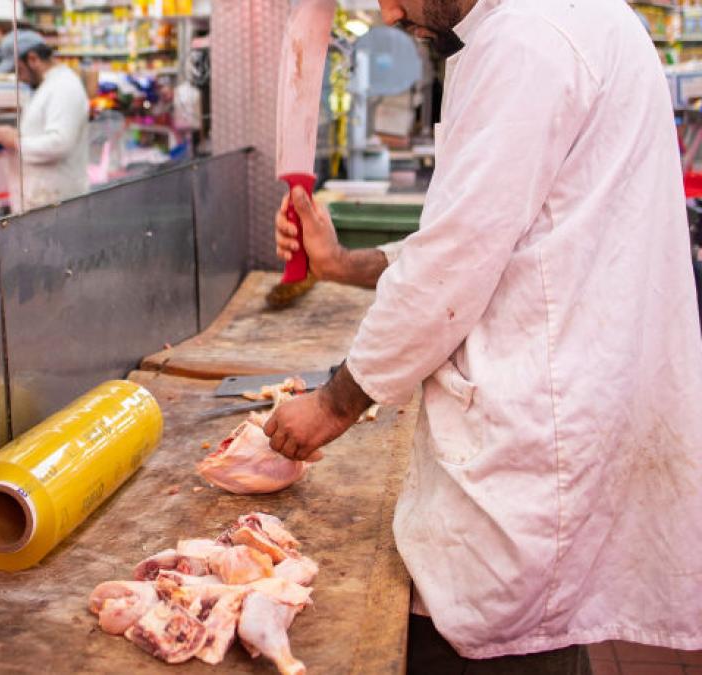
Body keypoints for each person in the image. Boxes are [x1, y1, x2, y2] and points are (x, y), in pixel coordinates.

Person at [267, 0, 702, 671]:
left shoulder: (528, 40)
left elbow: (457, 261)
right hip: (567, 408)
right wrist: (339, 264)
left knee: (509, 638)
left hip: (541, 433)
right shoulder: (546, 23)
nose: (388, 12)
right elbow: (485, 238)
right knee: (545, 629)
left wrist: (333, 404)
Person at [0, 30, 89, 211]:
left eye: (19, 69)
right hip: (43, 202)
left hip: (57, 203)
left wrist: (15, 141)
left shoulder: (63, 87)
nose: (19, 77)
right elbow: (42, 132)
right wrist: (14, 136)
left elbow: (59, 143)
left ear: (33, 59)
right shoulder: (47, 86)